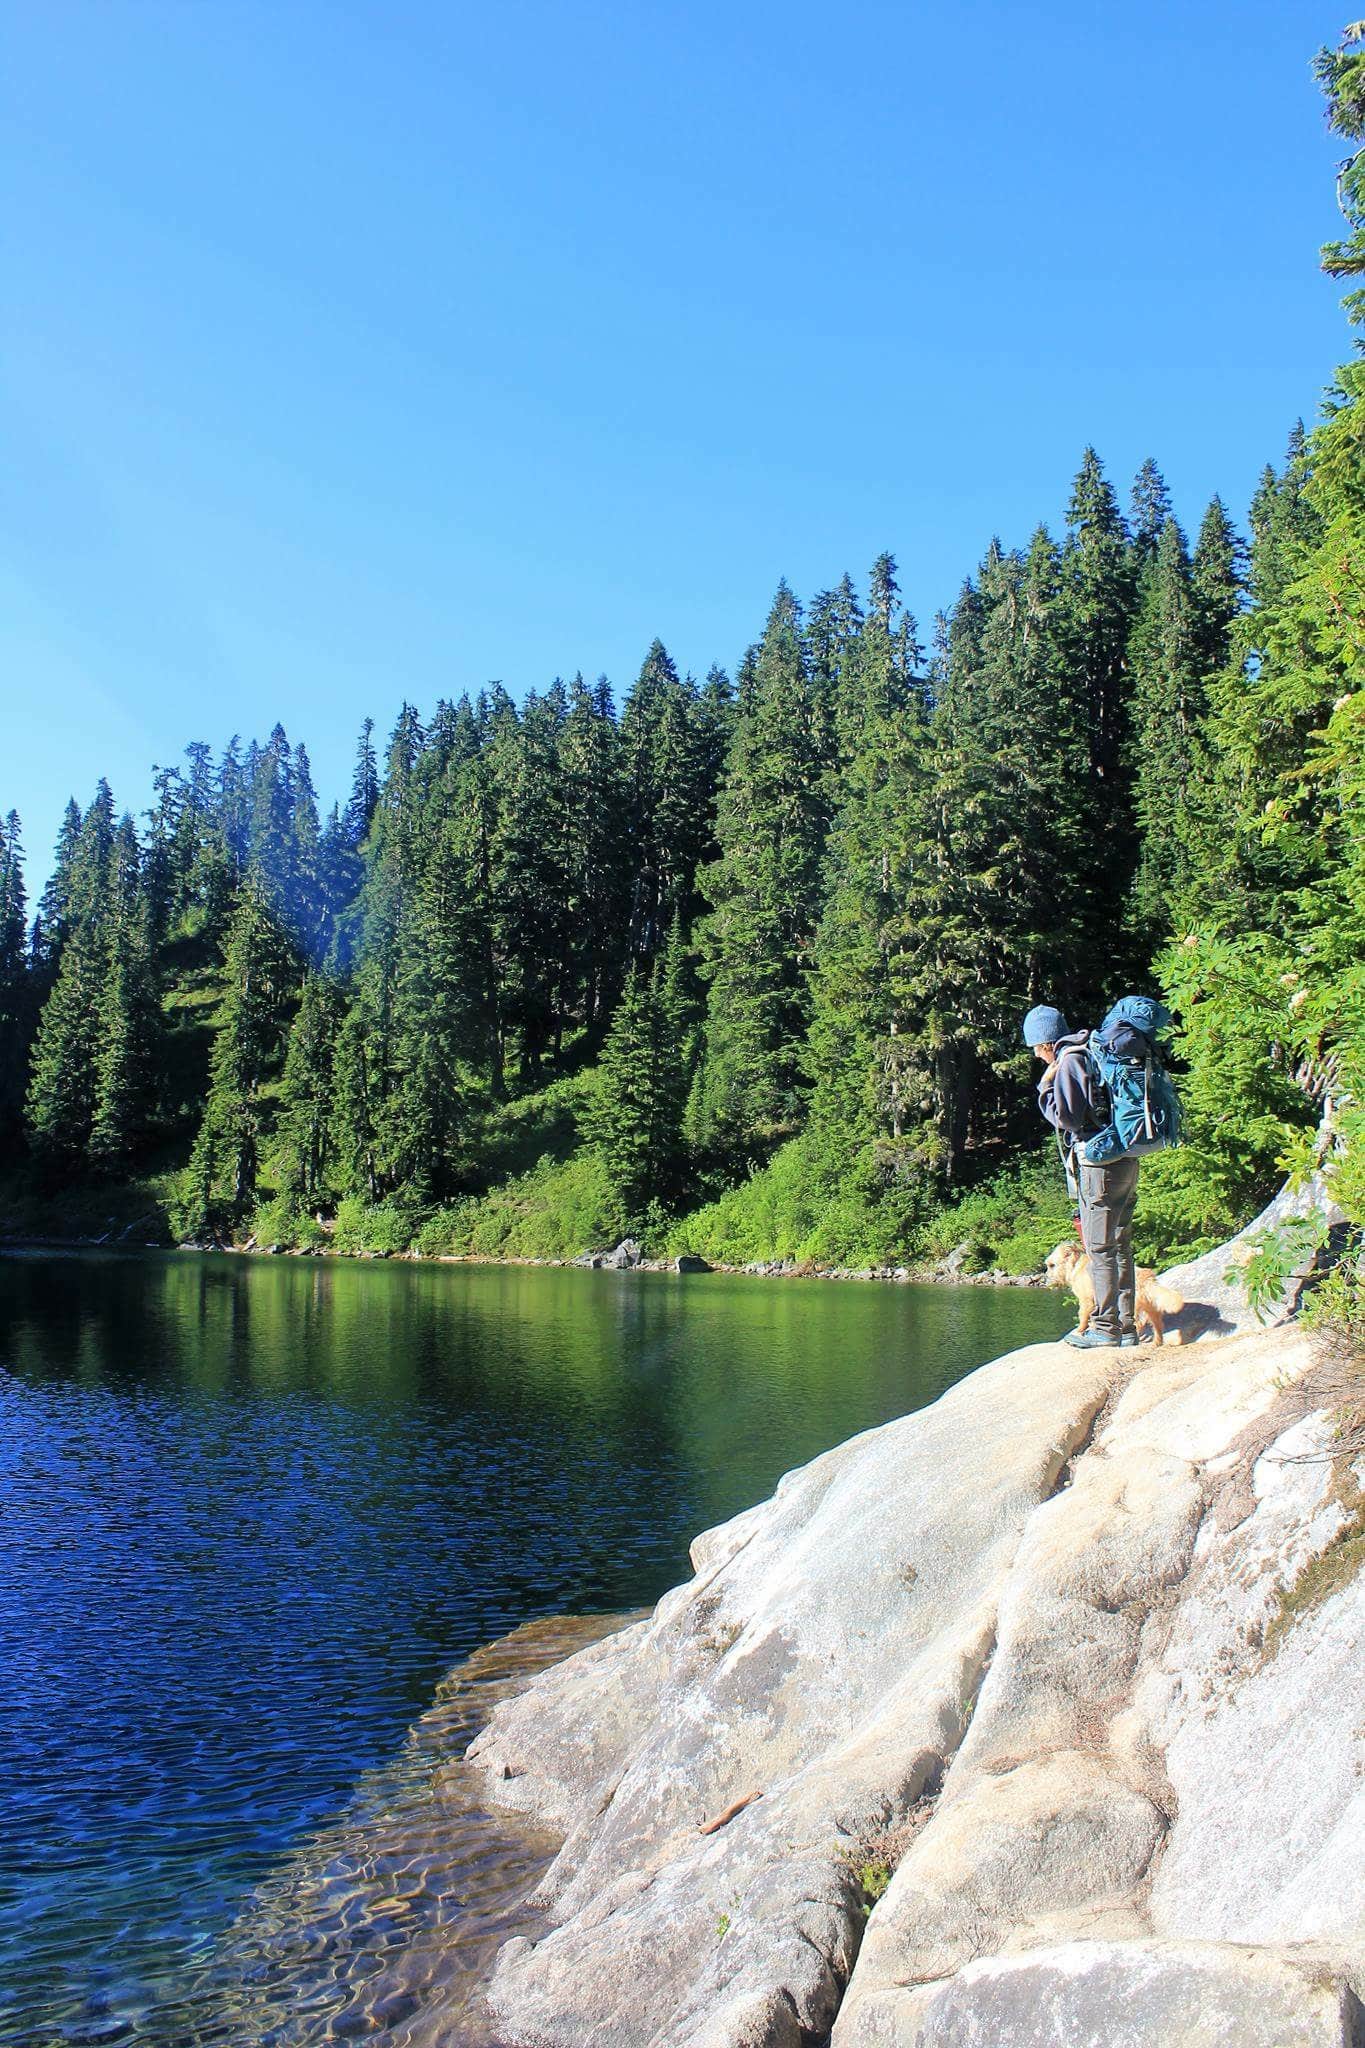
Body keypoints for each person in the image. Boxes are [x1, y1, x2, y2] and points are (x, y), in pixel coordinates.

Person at [1022, 1002, 1139, 1350]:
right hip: (1125, 1158)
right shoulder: (1090, 1050)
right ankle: (1127, 1325)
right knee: (1120, 1244)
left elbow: (1069, 1119)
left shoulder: (1070, 1060)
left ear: (1044, 1044)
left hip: (1099, 1164)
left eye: (1035, 1050)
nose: (1038, 1057)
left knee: (1099, 1247)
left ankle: (1104, 1327)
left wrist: (1045, 1088)